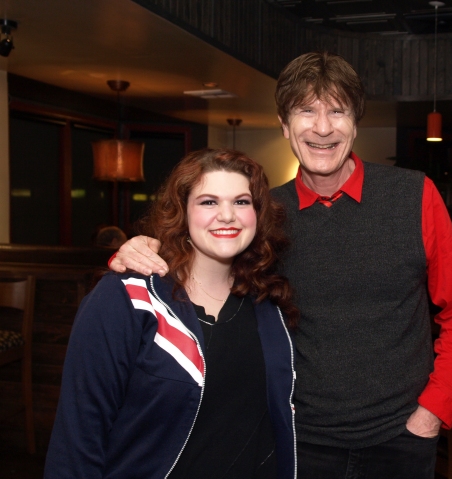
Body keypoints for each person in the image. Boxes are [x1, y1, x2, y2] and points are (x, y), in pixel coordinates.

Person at [110, 52, 452, 478]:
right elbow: (195, 263)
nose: (323, 128)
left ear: (355, 123)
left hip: (401, 438)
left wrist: (433, 411)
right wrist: (134, 252)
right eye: (307, 111)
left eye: (337, 111)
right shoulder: (265, 212)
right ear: (285, 125)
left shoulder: (414, 195)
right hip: (297, 438)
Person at [45, 149, 298, 479]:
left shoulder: (269, 304)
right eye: (208, 202)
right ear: (182, 210)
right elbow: (78, 435)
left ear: (257, 213)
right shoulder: (127, 298)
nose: (227, 215)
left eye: (241, 202)